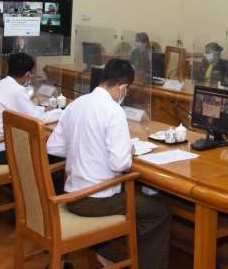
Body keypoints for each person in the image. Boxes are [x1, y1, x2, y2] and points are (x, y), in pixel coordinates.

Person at [47, 59, 171, 269]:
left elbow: (53, 147)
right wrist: (128, 150)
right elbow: (120, 164)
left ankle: (109, 253)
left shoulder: (77, 104)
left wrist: (85, 149)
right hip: (95, 200)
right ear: (123, 87)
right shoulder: (113, 111)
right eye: (127, 90)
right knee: (159, 212)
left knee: (139, 201)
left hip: (71, 195)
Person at [0, 53, 58, 165]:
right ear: (28, 75)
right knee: (48, 153)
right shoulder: (17, 90)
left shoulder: (2, 84)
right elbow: (36, 120)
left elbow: (25, 110)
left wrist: (43, 110)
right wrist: (61, 113)